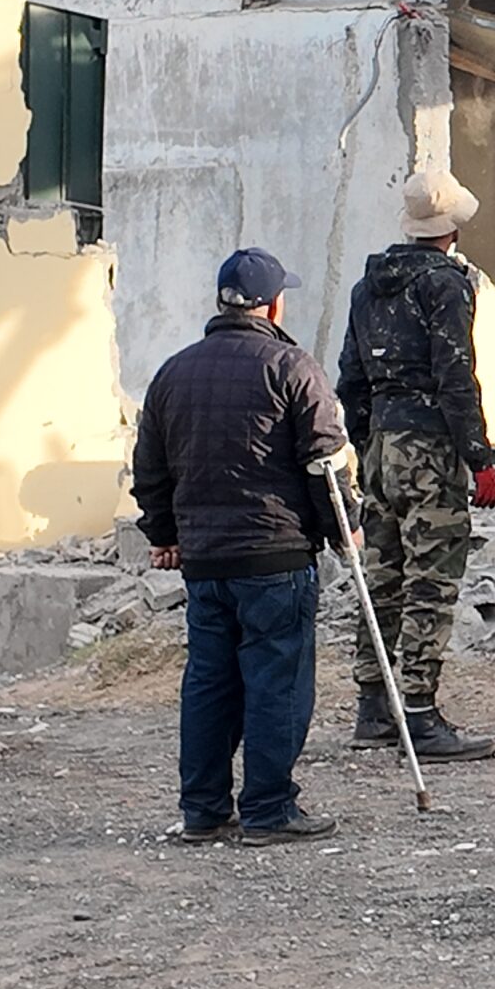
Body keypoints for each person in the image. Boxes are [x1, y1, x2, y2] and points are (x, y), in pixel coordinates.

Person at [131, 247, 356, 847]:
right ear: (272, 303)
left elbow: (149, 468)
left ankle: (203, 809)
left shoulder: (172, 373)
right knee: (275, 680)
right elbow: (324, 466)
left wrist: (164, 534)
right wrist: (344, 530)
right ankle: (269, 809)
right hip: (274, 556)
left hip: (204, 563)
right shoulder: (291, 367)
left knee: (209, 681)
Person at [334, 169, 495, 762]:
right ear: (452, 226)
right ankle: (420, 714)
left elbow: (350, 377)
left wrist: (367, 443)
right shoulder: (446, 285)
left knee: (381, 577)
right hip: (430, 447)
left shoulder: (367, 287)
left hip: (381, 443)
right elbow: (456, 375)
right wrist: (478, 457)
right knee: (432, 581)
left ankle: (373, 708)